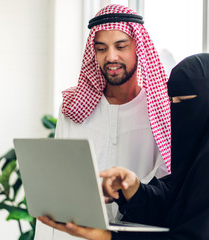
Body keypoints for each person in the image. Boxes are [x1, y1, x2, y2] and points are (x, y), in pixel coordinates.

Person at [38, 53, 209, 239]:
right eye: (173, 102)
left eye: (185, 102)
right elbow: (174, 204)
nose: (178, 112)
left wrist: (109, 236)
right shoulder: (208, 156)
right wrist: (133, 188)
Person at [34, 4, 171, 240]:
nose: (111, 57)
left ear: (139, 47)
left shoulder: (159, 111)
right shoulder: (73, 109)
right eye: (101, 48)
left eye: (121, 46)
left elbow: (162, 190)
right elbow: (58, 188)